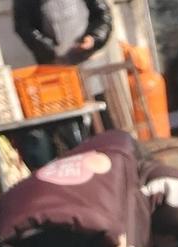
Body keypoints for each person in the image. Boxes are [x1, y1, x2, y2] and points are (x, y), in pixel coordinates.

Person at [11, 0, 112, 169]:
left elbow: (103, 16)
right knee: (70, 134)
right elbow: (23, 27)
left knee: (101, 129)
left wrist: (94, 38)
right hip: (55, 75)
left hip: (89, 68)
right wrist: (48, 49)